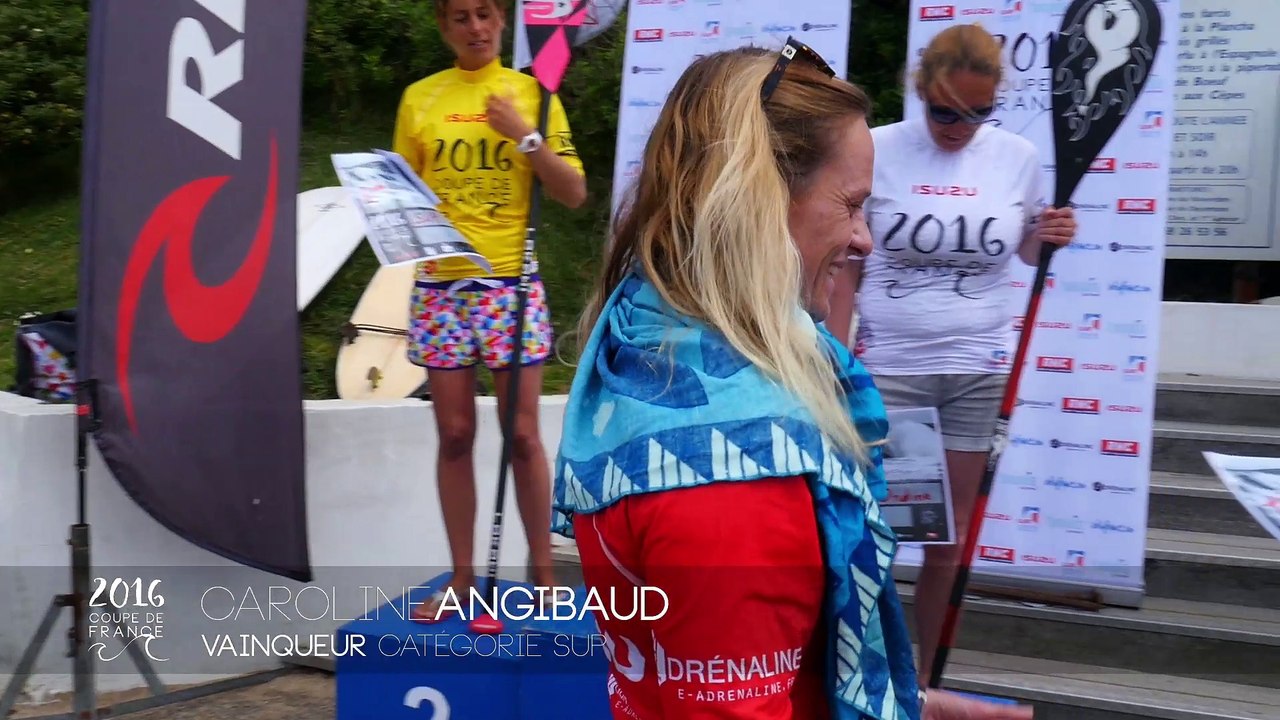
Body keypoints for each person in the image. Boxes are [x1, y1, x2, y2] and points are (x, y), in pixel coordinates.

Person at [550, 40, 1033, 720]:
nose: (866, 239)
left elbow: (718, 662)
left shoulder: (640, 351)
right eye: (851, 204)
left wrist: (907, 704)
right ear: (759, 202)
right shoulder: (737, 465)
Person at [826, 23, 1078, 684]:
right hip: (894, 371)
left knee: (948, 539)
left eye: (977, 113)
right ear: (921, 92)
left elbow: (1023, 250)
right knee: (881, 529)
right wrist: (830, 351)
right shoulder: (878, 148)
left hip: (978, 369)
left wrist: (1051, 234)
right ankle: (862, 665)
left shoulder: (1016, 156)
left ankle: (926, 679)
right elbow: (848, 261)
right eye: (944, 111)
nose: (959, 126)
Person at [392, 0, 588, 621]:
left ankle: (544, 573)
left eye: (484, 14)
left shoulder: (532, 94)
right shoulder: (419, 98)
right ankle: (461, 577)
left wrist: (525, 137)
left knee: (523, 435)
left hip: (510, 285)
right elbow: (400, 196)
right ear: (443, 27)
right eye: (459, 18)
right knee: (454, 435)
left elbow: (574, 192)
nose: (474, 28)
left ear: (502, 21)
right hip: (442, 286)